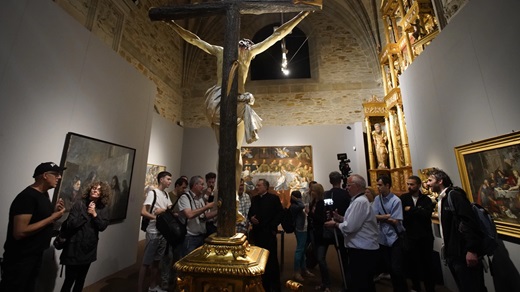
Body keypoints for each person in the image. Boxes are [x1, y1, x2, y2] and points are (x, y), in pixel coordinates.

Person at [167, 11, 310, 191]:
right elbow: (194, 39)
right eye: (242, 44)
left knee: (235, 153)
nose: (244, 47)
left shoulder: (249, 53)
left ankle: (232, 195)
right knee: (224, 151)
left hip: (240, 103)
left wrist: (302, 15)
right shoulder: (221, 52)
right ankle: (222, 192)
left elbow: (277, 35)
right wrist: (172, 24)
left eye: (246, 45)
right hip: (220, 100)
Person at [0, 162, 66, 292]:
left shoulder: (44, 195)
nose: (59, 177)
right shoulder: (27, 197)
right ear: (45, 176)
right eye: (56, 174)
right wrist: (53, 218)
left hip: (34, 255)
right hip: (20, 259)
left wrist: (53, 213)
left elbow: (38, 219)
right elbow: (19, 232)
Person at [427, 169, 486, 292]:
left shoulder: (454, 195)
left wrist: (472, 250)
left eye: (430, 180)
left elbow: (468, 222)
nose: (427, 184)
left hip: (463, 253)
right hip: (454, 254)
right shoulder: (443, 198)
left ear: (440, 181)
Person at [324, 174, 379, 292]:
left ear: (357, 186)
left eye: (349, 185)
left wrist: (335, 224)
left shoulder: (359, 202)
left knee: (362, 283)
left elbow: (350, 227)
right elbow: (354, 221)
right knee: (363, 281)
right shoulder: (358, 200)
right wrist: (340, 218)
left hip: (362, 250)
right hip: (362, 248)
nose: (346, 188)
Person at [59, 181, 111, 292]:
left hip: (88, 249)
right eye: (93, 188)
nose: (95, 190)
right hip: (73, 248)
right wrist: (87, 214)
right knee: (69, 280)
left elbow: (102, 226)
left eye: (98, 189)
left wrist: (95, 214)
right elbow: (70, 224)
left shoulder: (102, 208)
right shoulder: (79, 204)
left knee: (81, 280)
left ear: (102, 193)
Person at [138, 171, 173, 292]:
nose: (170, 181)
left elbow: (168, 211)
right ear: (161, 179)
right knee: (146, 262)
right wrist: (157, 217)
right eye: (168, 179)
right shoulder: (153, 193)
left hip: (162, 232)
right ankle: (139, 289)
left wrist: (163, 212)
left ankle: (152, 286)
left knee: (157, 261)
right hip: (153, 231)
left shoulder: (166, 194)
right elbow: (143, 212)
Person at [373, 175, 408, 292]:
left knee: (396, 268)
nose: (378, 187)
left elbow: (395, 220)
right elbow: (372, 216)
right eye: (377, 185)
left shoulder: (396, 200)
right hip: (382, 237)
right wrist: (386, 216)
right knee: (389, 267)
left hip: (394, 237)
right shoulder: (377, 199)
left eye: (380, 185)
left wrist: (380, 217)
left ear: (387, 185)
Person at [400, 175, 435, 292]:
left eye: (412, 184)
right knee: (413, 265)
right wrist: (418, 211)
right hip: (410, 237)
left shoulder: (426, 199)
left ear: (419, 185)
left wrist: (411, 210)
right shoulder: (404, 198)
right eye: (408, 184)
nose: (409, 186)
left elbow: (426, 215)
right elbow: (403, 217)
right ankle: (416, 288)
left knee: (428, 266)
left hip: (425, 238)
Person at [248, 179, 283, 292]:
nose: (256, 187)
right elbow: (250, 213)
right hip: (258, 234)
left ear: (265, 187)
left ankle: (275, 286)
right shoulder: (255, 199)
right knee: (259, 259)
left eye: (259, 185)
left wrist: (272, 226)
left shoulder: (273, 198)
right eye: (256, 185)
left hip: (268, 234)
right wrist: (251, 218)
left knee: (271, 260)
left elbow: (279, 213)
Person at [177, 176, 217, 257]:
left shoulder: (200, 198)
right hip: (190, 237)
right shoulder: (185, 197)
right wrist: (206, 207)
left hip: (201, 237)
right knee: (188, 263)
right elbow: (189, 214)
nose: (204, 187)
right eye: (202, 184)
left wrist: (220, 211)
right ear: (195, 185)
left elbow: (204, 216)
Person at [323, 171, 350, 291]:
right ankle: (347, 282)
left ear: (330, 181)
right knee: (345, 256)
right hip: (344, 225)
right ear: (340, 180)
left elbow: (327, 209)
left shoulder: (327, 194)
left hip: (332, 226)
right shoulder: (346, 194)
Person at [161, 177, 188, 290]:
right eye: (183, 187)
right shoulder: (168, 196)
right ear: (177, 186)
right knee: (168, 257)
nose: (184, 190)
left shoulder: (184, 198)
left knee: (177, 257)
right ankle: (165, 282)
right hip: (170, 231)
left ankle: (173, 280)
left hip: (179, 231)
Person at [307, 183, 331, 291]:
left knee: (321, 259)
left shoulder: (322, 203)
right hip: (314, 232)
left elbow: (321, 219)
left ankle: (327, 283)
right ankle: (324, 282)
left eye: (313, 191)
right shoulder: (313, 202)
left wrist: (309, 214)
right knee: (318, 257)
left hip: (321, 234)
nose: (311, 192)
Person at [289, 190, 314, 282]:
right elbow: (302, 206)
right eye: (298, 197)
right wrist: (297, 200)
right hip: (300, 229)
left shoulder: (296, 205)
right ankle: (296, 272)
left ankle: (303, 269)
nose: (300, 198)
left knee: (303, 249)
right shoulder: (294, 206)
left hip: (304, 227)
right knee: (300, 249)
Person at [203, 172, 218, 236]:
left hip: (214, 222)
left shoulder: (218, 193)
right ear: (206, 182)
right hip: (204, 221)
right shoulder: (202, 192)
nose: (211, 184)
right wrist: (206, 195)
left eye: (213, 182)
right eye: (209, 182)